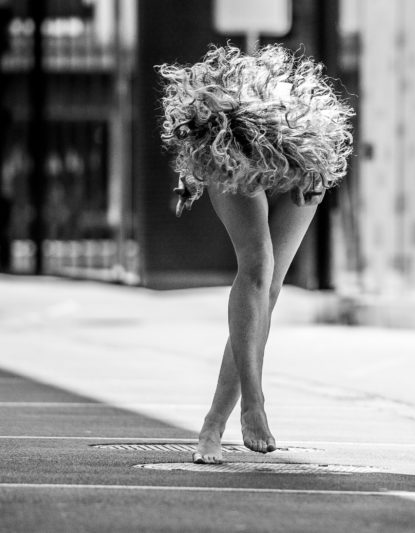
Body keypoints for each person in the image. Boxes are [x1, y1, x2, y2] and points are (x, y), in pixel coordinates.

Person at [157, 44, 354, 463]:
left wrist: (303, 180)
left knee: (269, 291)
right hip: (237, 157)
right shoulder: (229, 151)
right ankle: (253, 403)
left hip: (294, 160)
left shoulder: (307, 159)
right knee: (257, 266)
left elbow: (310, 171)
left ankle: (213, 421)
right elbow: (211, 142)